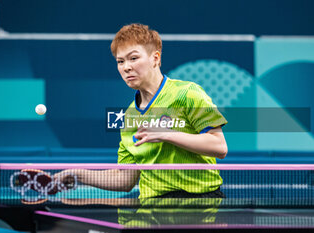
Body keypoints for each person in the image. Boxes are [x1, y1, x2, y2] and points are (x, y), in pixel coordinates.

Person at [55, 23, 228, 199]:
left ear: (155, 58)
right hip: (153, 208)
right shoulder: (129, 116)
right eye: (120, 62)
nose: (126, 67)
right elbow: (124, 179)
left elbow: (219, 146)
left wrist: (166, 133)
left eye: (133, 58)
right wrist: (77, 174)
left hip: (201, 203)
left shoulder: (187, 93)